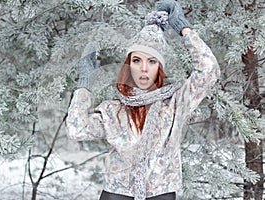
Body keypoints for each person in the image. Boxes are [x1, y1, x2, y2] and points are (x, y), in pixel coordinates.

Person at [66, 0, 220, 199]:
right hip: (116, 194)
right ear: (129, 65)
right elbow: (76, 129)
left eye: (152, 61)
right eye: (137, 60)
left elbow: (209, 70)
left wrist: (183, 28)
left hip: (160, 195)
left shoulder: (175, 104)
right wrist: (84, 84)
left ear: (160, 68)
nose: (144, 69)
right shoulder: (113, 110)